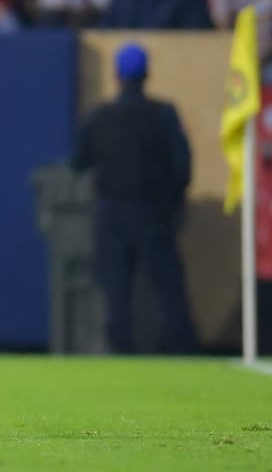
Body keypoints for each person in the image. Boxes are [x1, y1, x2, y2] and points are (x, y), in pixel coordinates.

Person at [71, 43, 197, 354]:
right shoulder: (163, 114)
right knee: (168, 288)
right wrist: (172, 201)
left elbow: (79, 161)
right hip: (152, 211)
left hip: (111, 212)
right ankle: (181, 351)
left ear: (117, 76)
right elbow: (182, 167)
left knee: (116, 289)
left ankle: (121, 352)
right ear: (146, 74)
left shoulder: (101, 116)